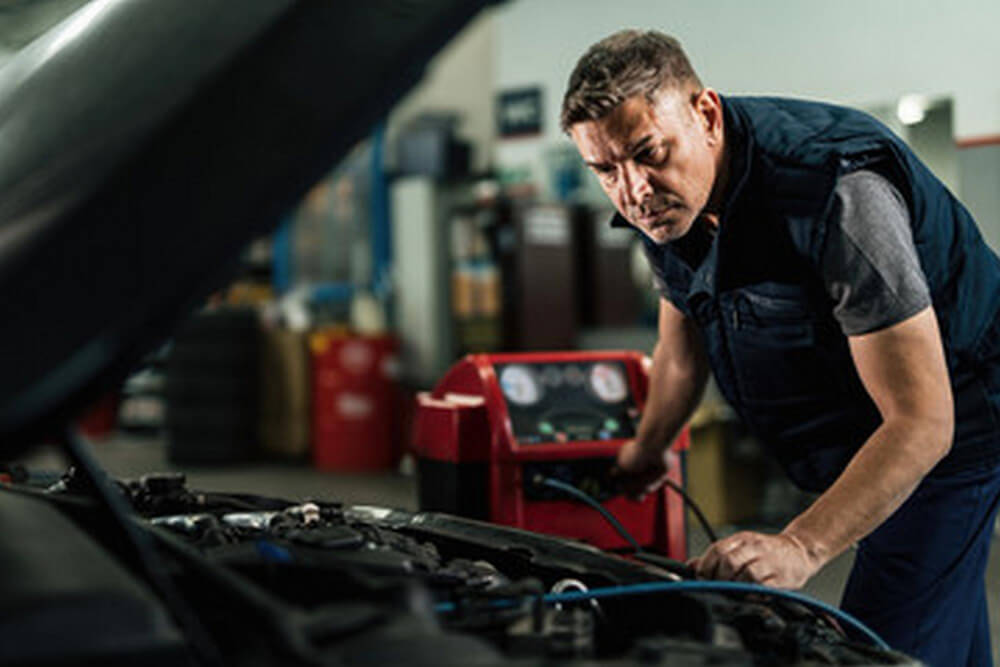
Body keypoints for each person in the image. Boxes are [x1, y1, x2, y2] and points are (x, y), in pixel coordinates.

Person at [561, 29, 1000, 666]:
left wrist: (801, 546)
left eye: (649, 153)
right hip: (869, 429)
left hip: (955, 424)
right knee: (943, 632)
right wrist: (646, 450)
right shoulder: (667, 207)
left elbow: (923, 422)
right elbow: (681, 349)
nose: (633, 191)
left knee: (880, 648)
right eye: (605, 170)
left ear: (706, 115)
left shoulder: (838, 194)